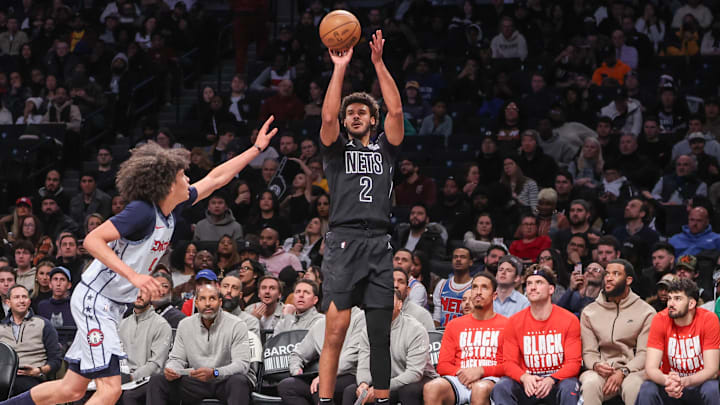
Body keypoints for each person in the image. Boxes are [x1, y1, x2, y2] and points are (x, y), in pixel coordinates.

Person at [0, 117, 278, 405]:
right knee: (110, 390)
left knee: (70, 390)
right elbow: (93, 240)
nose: (188, 180)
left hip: (108, 303)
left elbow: (216, 179)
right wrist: (135, 278)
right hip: (96, 300)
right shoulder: (141, 212)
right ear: (168, 183)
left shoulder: (172, 208)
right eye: (183, 175)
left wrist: (256, 148)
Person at [317, 29, 405, 405]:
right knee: (335, 332)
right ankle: (324, 401)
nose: (354, 116)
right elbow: (326, 114)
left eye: (361, 112)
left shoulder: (387, 147)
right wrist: (340, 68)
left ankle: (382, 399)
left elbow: (397, 110)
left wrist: (379, 63)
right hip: (343, 241)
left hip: (380, 243)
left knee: (379, 333)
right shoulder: (336, 150)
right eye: (349, 112)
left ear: (373, 119)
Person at [146, 284, 253, 405]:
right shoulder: (185, 325)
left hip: (224, 381)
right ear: (196, 303)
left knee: (238, 381)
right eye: (202, 299)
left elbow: (242, 365)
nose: (207, 303)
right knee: (157, 379)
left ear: (220, 302)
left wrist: (215, 372)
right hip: (196, 382)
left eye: (212, 298)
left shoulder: (237, 325)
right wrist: (172, 369)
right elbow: (177, 358)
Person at [491, 265, 582, 405]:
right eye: (529, 283)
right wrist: (524, 377)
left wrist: (552, 379)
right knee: (502, 387)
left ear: (551, 289)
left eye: (539, 283)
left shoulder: (569, 320)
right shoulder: (514, 321)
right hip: (528, 384)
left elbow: (573, 363)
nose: (533, 287)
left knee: (569, 387)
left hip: (557, 382)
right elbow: (509, 363)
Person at [579, 259, 656, 405]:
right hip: (602, 370)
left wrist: (624, 371)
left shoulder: (646, 312)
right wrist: (596, 365)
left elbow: (644, 353)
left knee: (633, 386)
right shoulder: (589, 312)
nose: (608, 277)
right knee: (590, 382)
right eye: (607, 273)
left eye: (616, 274)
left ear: (628, 280)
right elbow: (589, 352)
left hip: (633, 370)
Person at [423, 272, 507, 405]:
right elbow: (443, 365)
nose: (478, 292)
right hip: (460, 379)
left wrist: (480, 371)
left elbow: (510, 365)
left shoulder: (507, 325)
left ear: (494, 295)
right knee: (431, 388)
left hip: (491, 380)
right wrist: (465, 375)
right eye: (474, 287)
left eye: (484, 287)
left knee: (480, 389)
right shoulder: (454, 325)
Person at [343, 290, 437, 405]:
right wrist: (363, 383)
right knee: (351, 392)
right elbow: (364, 364)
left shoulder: (415, 330)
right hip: (385, 380)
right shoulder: (368, 330)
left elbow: (414, 373)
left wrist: (382, 387)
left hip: (418, 379)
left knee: (407, 392)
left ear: (399, 304)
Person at [636, 278, 720, 405]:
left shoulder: (708, 320)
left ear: (691, 303)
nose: (670, 303)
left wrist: (685, 381)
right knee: (647, 389)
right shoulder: (660, 319)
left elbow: (712, 369)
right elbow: (651, 368)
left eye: (677, 299)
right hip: (669, 384)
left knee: (712, 389)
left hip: (698, 383)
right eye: (669, 298)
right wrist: (668, 381)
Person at [279, 307, 365, 405]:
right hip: (324, 377)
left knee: (322, 386)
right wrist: (297, 371)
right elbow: (298, 354)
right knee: (287, 386)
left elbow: (351, 356)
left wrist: (326, 375)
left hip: (351, 374)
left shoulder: (360, 317)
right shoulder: (320, 324)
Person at [0, 285, 62, 396]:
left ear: (29, 301)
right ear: (8, 302)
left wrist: (38, 370)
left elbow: (56, 360)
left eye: (24, 297)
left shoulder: (43, 324)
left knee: (21, 387)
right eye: (17, 297)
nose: (21, 300)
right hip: (4, 378)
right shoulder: (1, 327)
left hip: (33, 378)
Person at [117, 289, 172, 405]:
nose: (139, 295)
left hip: (148, 380)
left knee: (129, 396)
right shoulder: (122, 324)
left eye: (144, 291)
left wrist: (131, 377)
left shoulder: (161, 325)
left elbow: (156, 365)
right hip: (123, 378)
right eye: (135, 291)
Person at [433, 248, 474, 327]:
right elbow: (436, 317)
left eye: (463, 257)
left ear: (471, 262)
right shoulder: (442, 284)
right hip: (443, 333)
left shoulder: (475, 286)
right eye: (455, 257)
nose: (458, 259)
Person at [35, 266, 75, 346]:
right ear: (50, 284)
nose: (58, 284)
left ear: (69, 285)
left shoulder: (74, 306)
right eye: (55, 279)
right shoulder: (42, 306)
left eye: (62, 280)